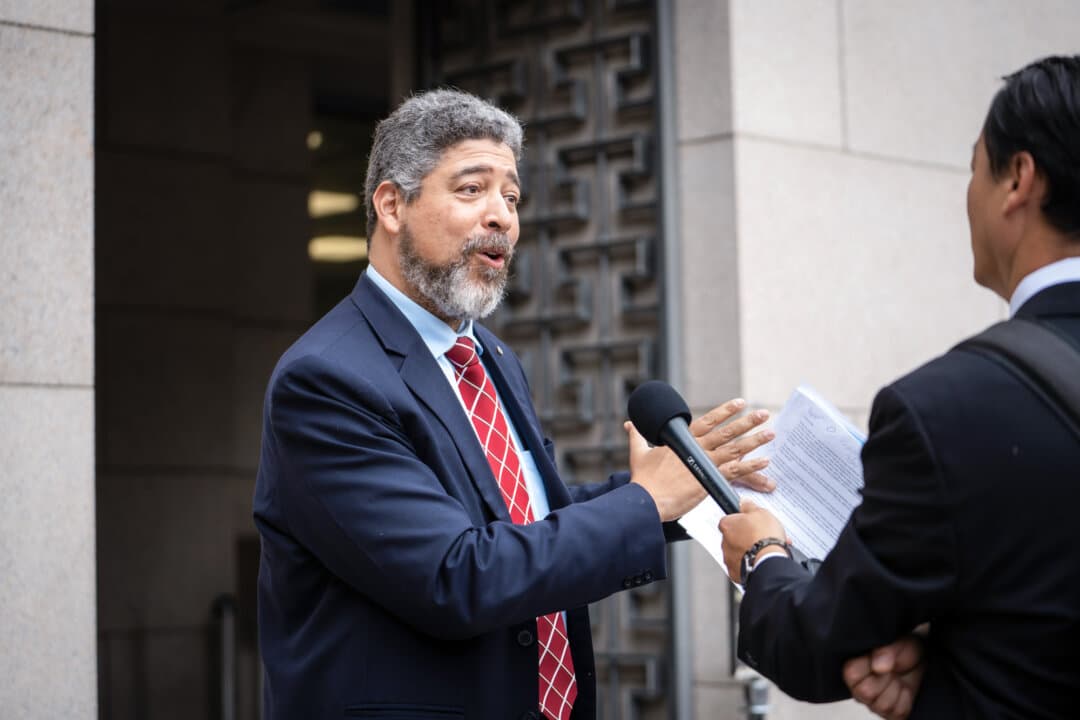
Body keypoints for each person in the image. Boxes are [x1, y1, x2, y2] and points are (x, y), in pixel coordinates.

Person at [253, 89, 776, 720]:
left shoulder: (493, 359)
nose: (501, 216)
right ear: (391, 205)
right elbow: (456, 574)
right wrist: (644, 502)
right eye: (472, 189)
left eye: (511, 196)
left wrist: (683, 488)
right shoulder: (327, 379)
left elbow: (524, 523)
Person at [719, 55, 1080, 719]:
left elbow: (814, 645)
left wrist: (762, 558)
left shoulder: (947, 410)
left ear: (1018, 180)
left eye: (975, 167)